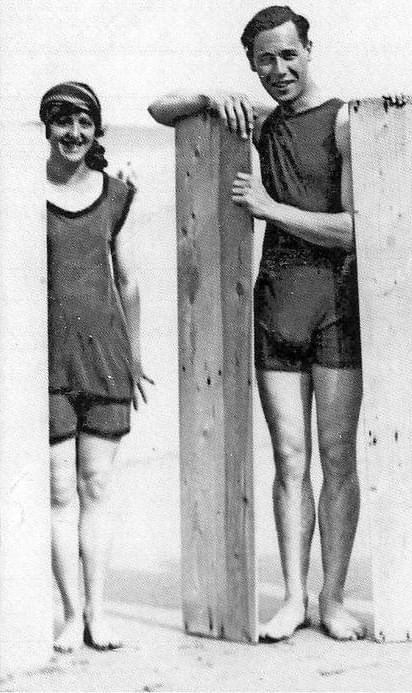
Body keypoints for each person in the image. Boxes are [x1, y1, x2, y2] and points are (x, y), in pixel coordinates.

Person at [148, 5, 364, 642]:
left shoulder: (345, 120)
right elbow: (162, 109)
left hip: (336, 309)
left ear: (309, 50)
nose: (279, 69)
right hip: (274, 308)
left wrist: (270, 208)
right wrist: (208, 95)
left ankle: (334, 598)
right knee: (289, 461)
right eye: (265, 59)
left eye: (289, 54)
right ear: (252, 63)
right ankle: (294, 598)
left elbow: (354, 229)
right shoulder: (264, 121)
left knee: (338, 459)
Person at [44, 81, 152, 652]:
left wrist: (135, 358)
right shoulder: (21, 194)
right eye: (63, 121)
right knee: (60, 492)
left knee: (97, 485)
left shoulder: (119, 195)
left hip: (105, 361)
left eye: (84, 122)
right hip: (46, 366)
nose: (74, 133)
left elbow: (130, 284)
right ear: (47, 126)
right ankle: (68, 613)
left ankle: (99, 613)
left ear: (97, 130)